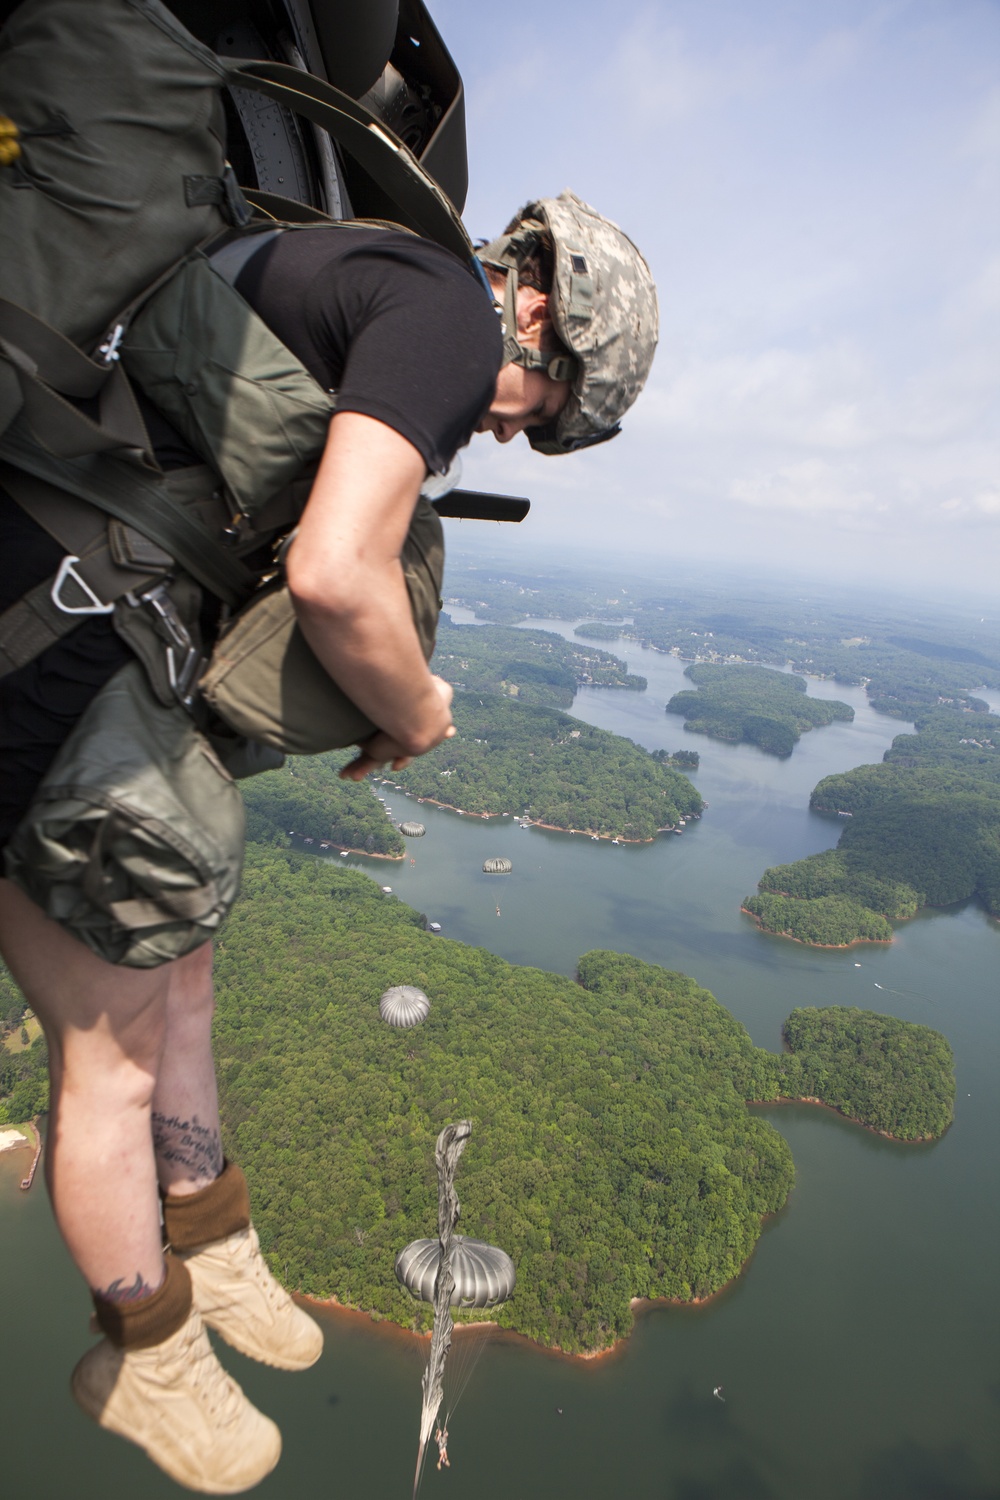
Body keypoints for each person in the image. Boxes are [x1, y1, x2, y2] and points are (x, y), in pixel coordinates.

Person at [0, 193, 657, 1492]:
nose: (514, 428)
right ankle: (143, 1347)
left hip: (83, 636)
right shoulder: (447, 321)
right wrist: (418, 712)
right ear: (549, 316)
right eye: (547, 410)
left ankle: (212, 1234)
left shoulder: (368, 274)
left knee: (179, 974)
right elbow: (335, 574)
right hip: (51, 649)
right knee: (110, 1058)